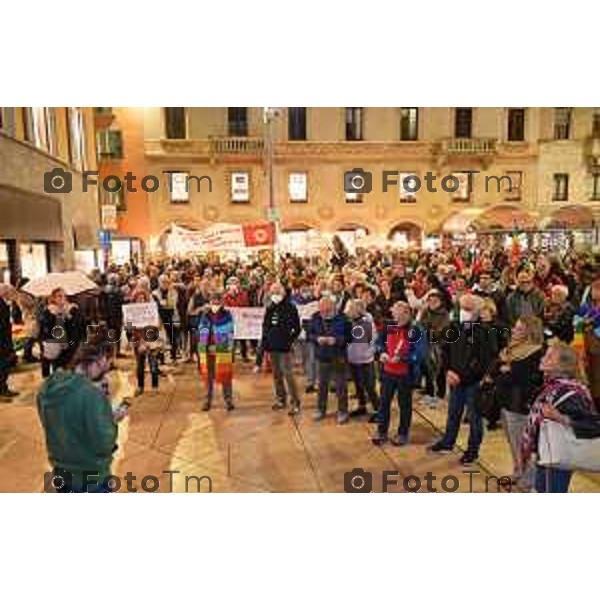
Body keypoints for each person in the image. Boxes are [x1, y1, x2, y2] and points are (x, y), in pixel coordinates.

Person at [37, 343, 121, 493]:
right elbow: (105, 442)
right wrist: (110, 419)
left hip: (60, 471)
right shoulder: (91, 395)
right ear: (101, 360)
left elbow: (51, 424)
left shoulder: (47, 387)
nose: (108, 369)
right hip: (91, 476)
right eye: (109, 363)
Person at [429, 293, 500, 464]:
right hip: (454, 379)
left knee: (475, 418)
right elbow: (445, 350)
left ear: (477, 311)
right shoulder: (454, 327)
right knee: (453, 413)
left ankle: (472, 451)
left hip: (473, 383)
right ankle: (448, 442)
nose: (463, 312)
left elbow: (487, 361)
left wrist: (463, 376)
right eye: (461, 308)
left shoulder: (485, 332)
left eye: (467, 309)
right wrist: (448, 371)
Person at [520, 342, 598, 493]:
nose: (543, 358)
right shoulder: (552, 386)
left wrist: (560, 417)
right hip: (547, 456)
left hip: (557, 460)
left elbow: (593, 425)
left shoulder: (571, 392)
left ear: (562, 366)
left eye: (549, 357)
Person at [494, 316, 545, 490]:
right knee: (513, 442)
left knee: (523, 444)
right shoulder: (512, 348)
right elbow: (497, 368)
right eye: (515, 327)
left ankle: (528, 478)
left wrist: (507, 371)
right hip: (507, 401)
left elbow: (521, 379)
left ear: (529, 332)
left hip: (520, 405)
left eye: (519, 329)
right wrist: (504, 370)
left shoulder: (536, 352)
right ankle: (518, 471)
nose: (514, 331)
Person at [372, 301, 426, 446]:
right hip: (387, 372)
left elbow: (420, 354)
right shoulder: (389, 326)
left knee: (405, 405)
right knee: (383, 403)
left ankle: (403, 434)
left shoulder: (415, 330)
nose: (396, 319)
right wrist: (381, 352)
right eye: (394, 315)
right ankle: (381, 431)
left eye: (400, 316)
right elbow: (378, 342)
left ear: (408, 314)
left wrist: (402, 358)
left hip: (405, 375)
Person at [308, 296, 351, 424]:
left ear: (333, 307)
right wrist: (317, 339)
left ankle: (343, 411)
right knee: (322, 385)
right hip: (322, 356)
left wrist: (336, 340)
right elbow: (309, 334)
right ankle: (321, 409)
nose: (324, 313)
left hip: (339, 356)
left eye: (327, 310)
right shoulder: (315, 317)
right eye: (322, 310)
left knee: (340, 385)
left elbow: (350, 337)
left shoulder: (343, 318)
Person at [261, 281, 302, 415]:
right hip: (272, 347)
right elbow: (265, 327)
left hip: (285, 347)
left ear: (283, 293)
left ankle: (295, 402)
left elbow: (297, 328)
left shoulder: (290, 307)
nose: (275, 295)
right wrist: (265, 343)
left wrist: (290, 340)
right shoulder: (270, 307)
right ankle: (281, 399)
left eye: (277, 292)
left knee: (288, 375)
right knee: (277, 375)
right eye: (273, 292)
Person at [197, 291, 235, 411]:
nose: (216, 303)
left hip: (222, 350)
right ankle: (207, 400)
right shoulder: (205, 315)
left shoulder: (227, 314)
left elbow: (229, 331)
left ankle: (228, 400)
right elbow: (201, 330)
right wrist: (207, 346)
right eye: (213, 301)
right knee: (208, 377)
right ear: (210, 302)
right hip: (207, 349)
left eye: (218, 301)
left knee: (225, 376)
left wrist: (220, 347)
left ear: (222, 302)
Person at [39, 287, 86, 378]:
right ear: (53, 298)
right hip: (53, 344)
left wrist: (69, 316)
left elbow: (78, 327)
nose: (62, 298)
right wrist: (53, 315)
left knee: (65, 367)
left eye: (64, 296)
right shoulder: (48, 311)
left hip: (68, 344)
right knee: (52, 365)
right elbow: (44, 328)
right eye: (59, 296)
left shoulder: (72, 309)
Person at [345, 299, 379, 420]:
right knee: (358, 384)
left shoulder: (366, 322)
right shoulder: (349, 321)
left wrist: (368, 353)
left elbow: (372, 339)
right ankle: (362, 405)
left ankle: (378, 409)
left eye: (350, 309)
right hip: (352, 358)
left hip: (365, 359)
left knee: (369, 386)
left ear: (358, 310)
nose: (347, 311)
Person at [418, 290, 450, 407]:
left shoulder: (444, 314)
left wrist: (430, 330)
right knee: (427, 368)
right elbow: (420, 325)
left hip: (438, 345)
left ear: (440, 302)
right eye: (430, 300)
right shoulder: (426, 312)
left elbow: (443, 330)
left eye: (435, 301)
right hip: (426, 343)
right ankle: (429, 390)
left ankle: (440, 392)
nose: (432, 303)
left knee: (439, 369)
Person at [129, 288, 162, 396]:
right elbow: (129, 329)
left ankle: (155, 386)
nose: (141, 301)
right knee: (140, 366)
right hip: (138, 342)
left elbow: (157, 326)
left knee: (153, 365)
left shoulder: (151, 310)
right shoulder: (131, 312)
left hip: (151, 341)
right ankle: (140, 386)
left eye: (143, 298)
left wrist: (156, 325)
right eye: (138, 298)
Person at [577, 279, 600, 411]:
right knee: (588, 379)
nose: (595, 292)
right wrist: (583, 324)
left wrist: (592, 323)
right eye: (593, 289)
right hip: (585, 348)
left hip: (597, 349)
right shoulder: (585, 307)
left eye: (598, 289)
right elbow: (577, 322)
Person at [0, 284, 18, 400]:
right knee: (2, 366)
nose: (10, 295)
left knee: (3, 365)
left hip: (4, 338)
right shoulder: (1, 304)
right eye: (9, 292)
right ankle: (2, 390)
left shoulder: (3, 303)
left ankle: (3, 388)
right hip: (2, 340)